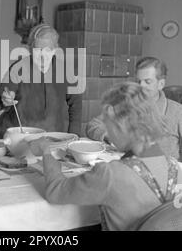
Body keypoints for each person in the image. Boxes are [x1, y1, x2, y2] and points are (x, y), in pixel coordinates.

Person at [29, 82, 182, 231]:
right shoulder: (176, 168)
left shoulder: (110, 175)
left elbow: (55, 192)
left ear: (119, 123)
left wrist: (46, 151)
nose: (107, 132)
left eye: (107, 125)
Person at [0, 23, 82, 138]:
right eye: (38, 50)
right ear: (30, 49)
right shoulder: (19, 68)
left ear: (55, 50)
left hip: (53, 136)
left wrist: (74, 135)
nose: (42, 56)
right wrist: (3, 100)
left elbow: (76, 105)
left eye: (47, 50)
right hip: (19, 136)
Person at [86, 57, 182, 160]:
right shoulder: (125, 104)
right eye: (138, 81)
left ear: (161, 84)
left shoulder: (178, 112)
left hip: (163, 172)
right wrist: (109, 135)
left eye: (147, 81)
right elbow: (93, 125)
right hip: (124, 167)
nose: (141, 86)